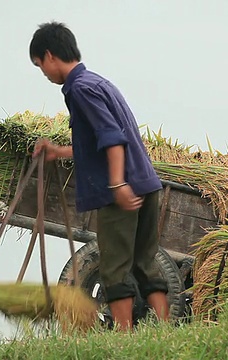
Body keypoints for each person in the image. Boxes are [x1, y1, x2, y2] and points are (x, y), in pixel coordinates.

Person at [29, 22, 169, 331]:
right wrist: (58, 151)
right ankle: (164, 329)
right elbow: (96, 142)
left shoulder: (79, 90)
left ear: (50, 56)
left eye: (41, 67)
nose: (45, 74)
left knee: (114, 267)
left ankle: (123, 334)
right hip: (146, 182)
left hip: (121, 188)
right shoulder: (98, 83)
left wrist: (117, 184)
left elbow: (111, 138)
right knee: (145, 263)